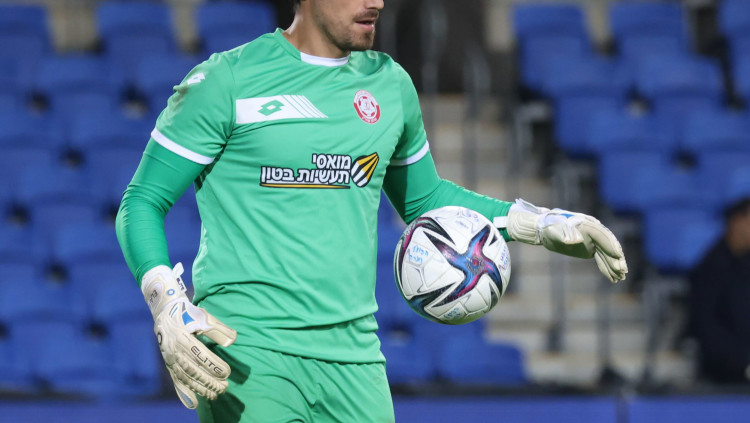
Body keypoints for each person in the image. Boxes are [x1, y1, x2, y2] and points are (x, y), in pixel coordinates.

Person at [115, 0, 628, 421]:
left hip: (356, 360)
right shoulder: (225, 81)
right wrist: (165, 299)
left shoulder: (390, 84)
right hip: (250, 353)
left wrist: (538, 223)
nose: (376, 2)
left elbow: (425, 201)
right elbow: (142, 202)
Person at [688, 197, 750, 384]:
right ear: (736, 222)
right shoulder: (710, 267)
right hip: (724, 375)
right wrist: (744, 362)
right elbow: (706, 326)